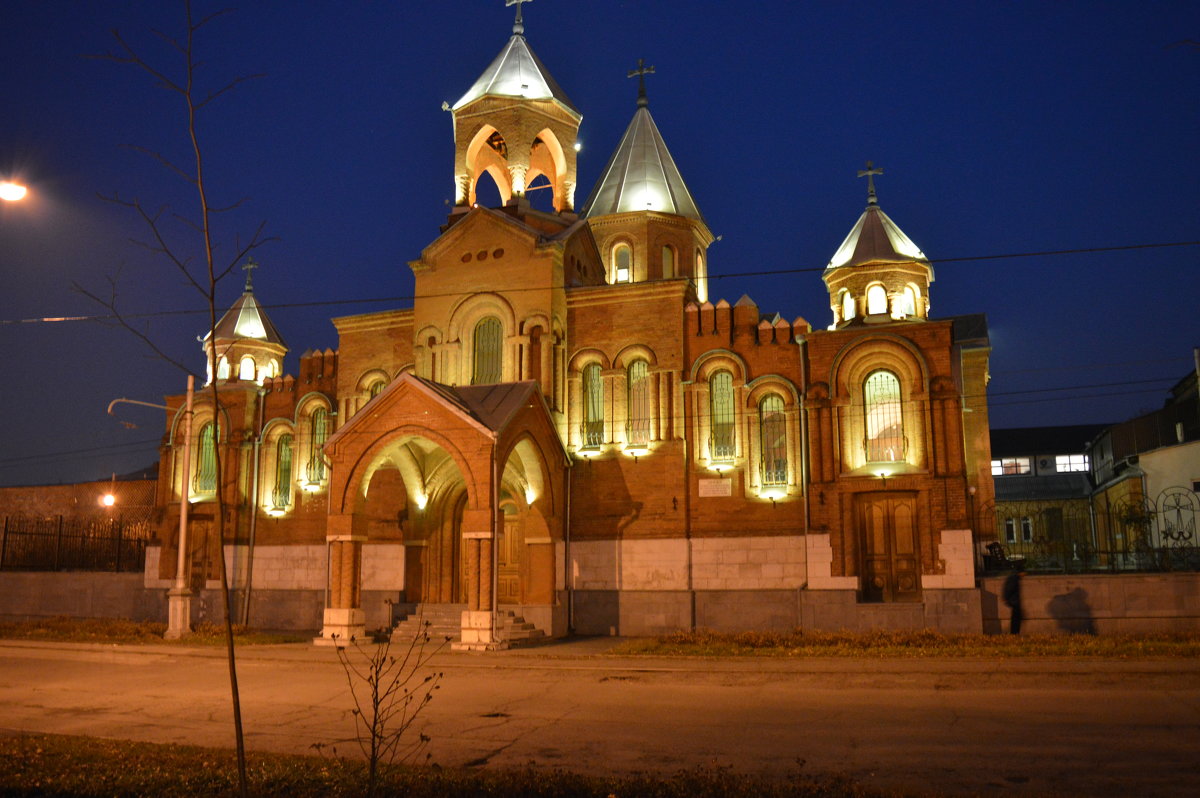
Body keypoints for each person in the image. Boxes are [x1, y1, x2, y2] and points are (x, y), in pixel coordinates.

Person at [1002, 568, 1025, 634]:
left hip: (1014, 601)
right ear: (1021, 572)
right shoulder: (1014, 579)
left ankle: (1015, 632)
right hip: (1014, 602)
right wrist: (1006, 599)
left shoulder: (1014, 578)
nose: (1024, 575)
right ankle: (1015, 632)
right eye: (1024, 573)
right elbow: (1010, 589)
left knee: (1016, 618)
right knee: (1016, 618)